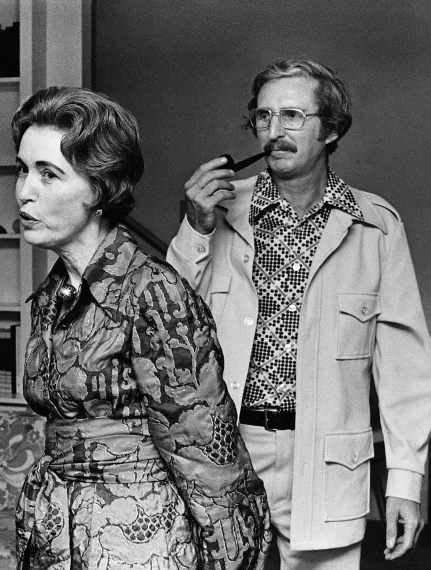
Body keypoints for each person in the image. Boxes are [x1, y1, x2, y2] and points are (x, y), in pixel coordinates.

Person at [167, 59, 431, 569]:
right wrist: (195, 228)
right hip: (224, 448)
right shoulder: (216, 210)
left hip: (326, 458)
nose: (274, 130)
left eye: (292, 115)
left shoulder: (377, 227)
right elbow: (169, 324)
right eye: (264, 116)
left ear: (331, 130)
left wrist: (405, 481)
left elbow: (405, 368)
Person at [12, 86, 271, 570]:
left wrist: (234, 559)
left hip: (140, 542)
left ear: (99, 189)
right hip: (58, 535)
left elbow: (208, 456)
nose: (24, 190)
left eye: (48, 174)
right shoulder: (52, 296)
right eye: (22, 170)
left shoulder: (154, 292)